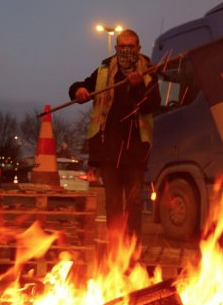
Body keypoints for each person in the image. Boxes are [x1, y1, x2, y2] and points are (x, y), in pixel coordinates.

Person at [68, 29, 161, 239]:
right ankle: (115, 249)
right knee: (112, 203)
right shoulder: (103, 71)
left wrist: (137, 88)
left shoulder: (149, 72)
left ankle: (132, 250)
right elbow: (79, 85)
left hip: (135, 152)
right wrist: (79, 91)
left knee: (135, 202)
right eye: (123, 46)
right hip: (109, 152)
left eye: (131, 46)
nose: (127, 50)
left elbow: (153, 105)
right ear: (116, 48)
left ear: (138, 48)